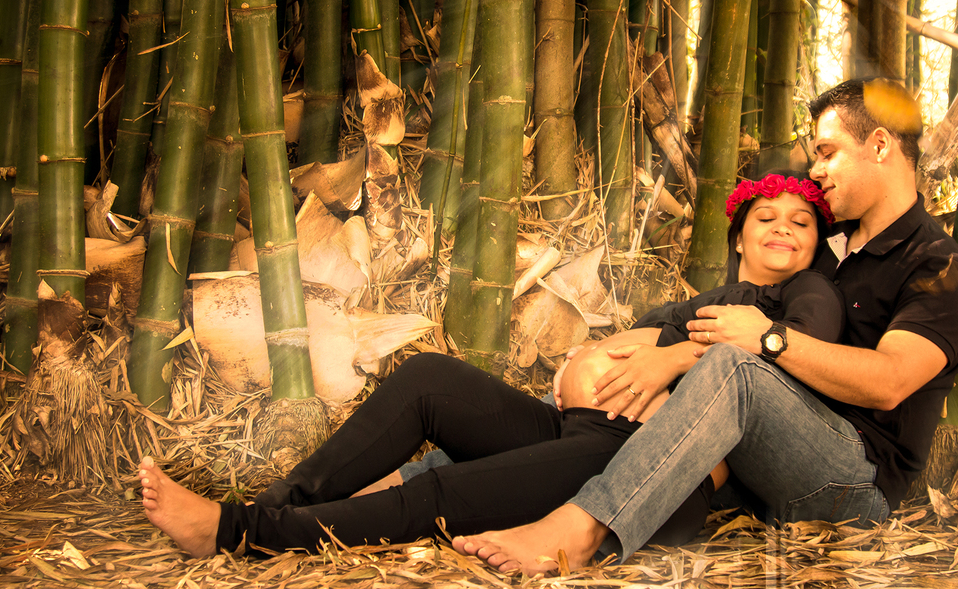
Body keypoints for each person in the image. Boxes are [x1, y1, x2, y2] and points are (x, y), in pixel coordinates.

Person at [136, 171, 844, 558]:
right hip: (581, 432)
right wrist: (584, 363)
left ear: (817, 243)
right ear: (739, 233)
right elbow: (626, 344)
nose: (784, 228)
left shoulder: (806, 296)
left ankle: (238, 533)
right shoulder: (708, 297)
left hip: (641, 468)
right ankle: (276, 503)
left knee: (449, 492)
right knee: (428, 379)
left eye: (802, 221)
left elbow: (773, 378)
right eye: (767, 217)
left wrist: (671, 358)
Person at [452, 77, 958, 576]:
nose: (816, 171)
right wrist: (609, 354)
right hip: (750, 449)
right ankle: (426, 487)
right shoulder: (830, 239)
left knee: (735, 368)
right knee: (615, 416)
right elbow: (721, 310)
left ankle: (583, 530)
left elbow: (889, 381)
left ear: (880, 145)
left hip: (850, 477)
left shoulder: (938, 268)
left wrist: (769, 339)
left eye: (827, 152)